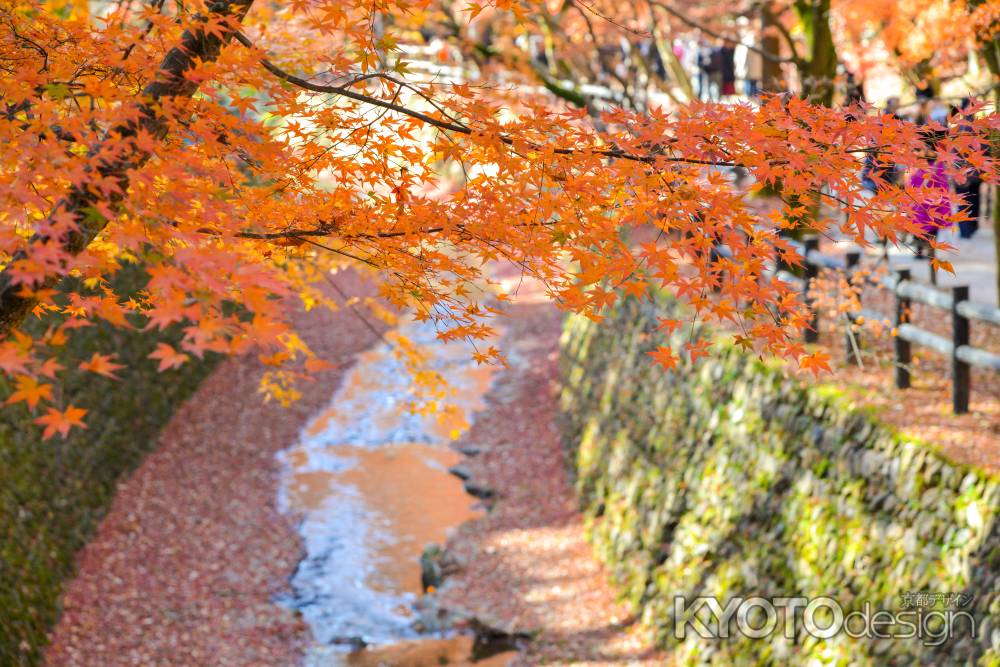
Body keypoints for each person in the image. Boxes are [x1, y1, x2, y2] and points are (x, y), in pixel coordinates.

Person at [954, 97, 982, 238]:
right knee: (973, 200)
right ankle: (970, 228)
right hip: (972, 173)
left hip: (965, 173)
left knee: (966, 201)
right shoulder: (979, 127)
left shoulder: (958, 127)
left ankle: (967, 229)